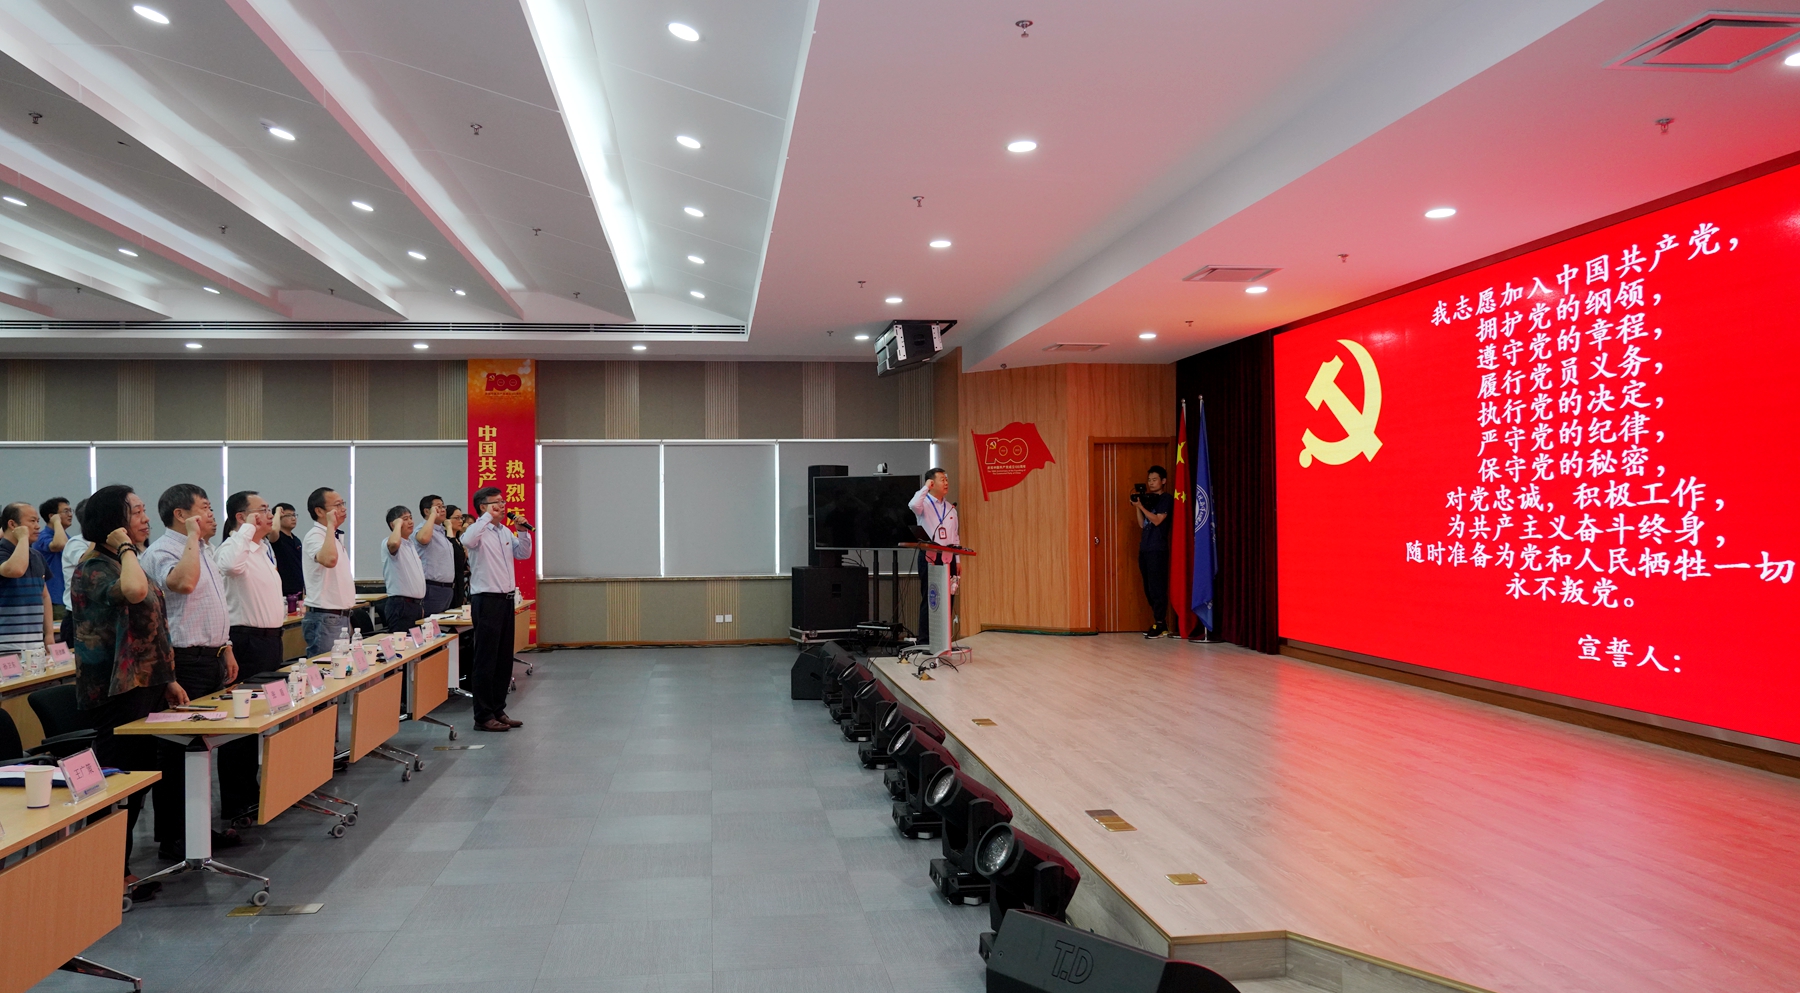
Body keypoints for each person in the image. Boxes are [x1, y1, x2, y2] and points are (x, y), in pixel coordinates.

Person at [68, 485, 185, 891]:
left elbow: (150, 624)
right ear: (114, 523)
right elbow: (135, 594)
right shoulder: (95, 568)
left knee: (138, 778)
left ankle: (118, 867)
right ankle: (108, 873)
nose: (145, 518)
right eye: (135, 511)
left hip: (143, 684)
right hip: (115, 690)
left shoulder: (123, 562)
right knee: (119, 782)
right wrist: (124, 547)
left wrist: (166, 678)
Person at [140, 484, 247, 854]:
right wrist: (190, 537)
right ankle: (174, 838)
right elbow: (183, 585)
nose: (212, 515)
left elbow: (215, 604)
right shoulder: (163, 551)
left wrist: (226, 647)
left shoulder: (204, 549)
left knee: (201, 749)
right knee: (176, 751)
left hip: (210, 657)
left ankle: (197, 830)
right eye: (205, 508)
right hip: (182, 661)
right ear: (181, 515)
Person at [462, 487, 532, 733]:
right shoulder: (477, 531)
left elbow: (523, 554)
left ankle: (498, 709)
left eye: (503, 502)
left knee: (503, 658)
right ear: (483, 507)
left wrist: (522, 532)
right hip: (486, 600)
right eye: (496, 503)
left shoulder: (504, 531)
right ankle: (482, 716)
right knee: (486, 659)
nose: (503, 506)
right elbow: (466, 541)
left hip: (506, 600)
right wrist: (485, 518)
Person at [218, 490, 286, 681]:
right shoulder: (230, 548)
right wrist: (248, 528)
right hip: (248, 641)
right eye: (263, 510)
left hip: (272, 639)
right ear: (241, 517)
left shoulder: (262, 549)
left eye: (269, 509)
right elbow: (231, 566)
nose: (270, 515)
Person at [908, 468, 960, 642]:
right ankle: (925, 640)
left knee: (949, 598)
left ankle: (943, 639)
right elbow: (912, 505)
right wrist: (925, 488)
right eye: (942, 479)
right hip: (930, 556)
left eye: (947, 479)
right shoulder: (923, 504)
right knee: (931, 598)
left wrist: (958, 559)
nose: (946, 482)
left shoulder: (951, 508)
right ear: (931, 483)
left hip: (949, 557)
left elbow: (955, 536)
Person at [301, 487, 354, 656]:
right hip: (325, 617)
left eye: (343, 504)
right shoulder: (315, 536)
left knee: (342, 667)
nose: (344, 509)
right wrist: (331, 525)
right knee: (327, 668)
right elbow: (330, 560)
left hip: (340, 616)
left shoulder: (333, 536)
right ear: (319, 511)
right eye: (337, 505)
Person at [0, 502, 53, 655]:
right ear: (12, 524)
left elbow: (44, 595)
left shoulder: (36, 556)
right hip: (5, 647)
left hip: (34, 646)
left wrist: (49, 634)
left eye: (38, 521)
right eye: (32, 521)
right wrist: (23, 537)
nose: (37, 526)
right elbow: (16, 570)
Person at [1132, 466, 1174, 638]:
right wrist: (1138, 506)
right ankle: (1158, 622)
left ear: (1163, 481)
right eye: (1149, 480)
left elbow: (1157, 520)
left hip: (1158, 549)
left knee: (1157, 587)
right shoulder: (1148, 499)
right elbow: (1142, 524)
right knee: (1148, 588)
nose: (1151, 483)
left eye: (1154, 480)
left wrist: (1141, 507)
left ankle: (1160, 623)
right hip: (1145, 548)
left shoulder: (1166, 499)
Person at [382, 505, 426, 633]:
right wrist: (397, 525)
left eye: (411, 518)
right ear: (393, 524)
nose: (410, 522)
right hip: (401, 606)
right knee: (403, 643)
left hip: (415, 605)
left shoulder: (410, 544)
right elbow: (394, 543)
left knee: (417, 643)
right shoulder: (388, 542)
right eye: (405, 519)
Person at [59, 498, 91, 645]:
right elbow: (85, 562)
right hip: (78, 617)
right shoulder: (76, 543)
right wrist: (98, 536)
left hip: (101, 619)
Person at [33, 497, 71, 619]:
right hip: (53, 597)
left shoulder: (67, 537)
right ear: (52, 516)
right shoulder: (42, 537)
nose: (70, 515)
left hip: (67, 596)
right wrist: (56, 522)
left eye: (70, 511)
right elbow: (60, 544)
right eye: (65, 511)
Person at [416, 494, 454, 615]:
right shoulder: (422, 529)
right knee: (431, 624)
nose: (443, 510)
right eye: (438, 507)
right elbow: (423, 538)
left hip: (447, 589)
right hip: (432, 588)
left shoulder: (441, 531)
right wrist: (433, 516)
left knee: (444, 626)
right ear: (427, 511)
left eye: (443, 506)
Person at [271, 502, 305, 602]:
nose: (293, 518)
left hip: (299, 588)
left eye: (294, 515)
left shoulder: (296, 540)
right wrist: (277, 512)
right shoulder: (277, 538)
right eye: (288, 516)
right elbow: (273, 531)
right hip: (283, 590)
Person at [444, 505, 471, 609]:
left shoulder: (458, 539)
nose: (461, 521)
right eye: (456, 518)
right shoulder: (445, 538)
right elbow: (453, 551)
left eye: (461, 518)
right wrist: (448, 527)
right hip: (451, 584)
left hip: (461, 582)